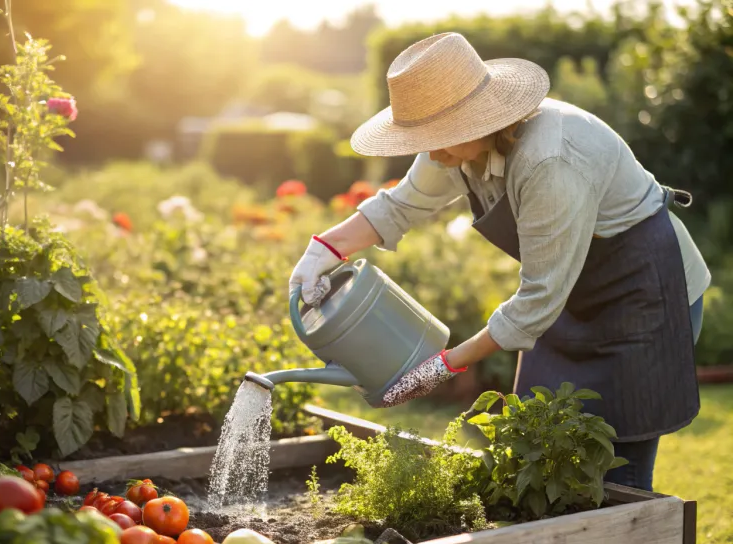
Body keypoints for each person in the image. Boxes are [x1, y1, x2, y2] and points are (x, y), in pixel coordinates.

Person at [289, 33, 710, 492]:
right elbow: (400, 206)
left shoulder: (550, 160)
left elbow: (538, 300)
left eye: (438, 138)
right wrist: (323, 250)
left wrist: (442, 365)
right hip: (569, 294)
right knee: (536, 441)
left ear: (479, 118)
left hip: (645, 293)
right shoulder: (454, 147)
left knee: (620, 460)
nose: (429, 152)